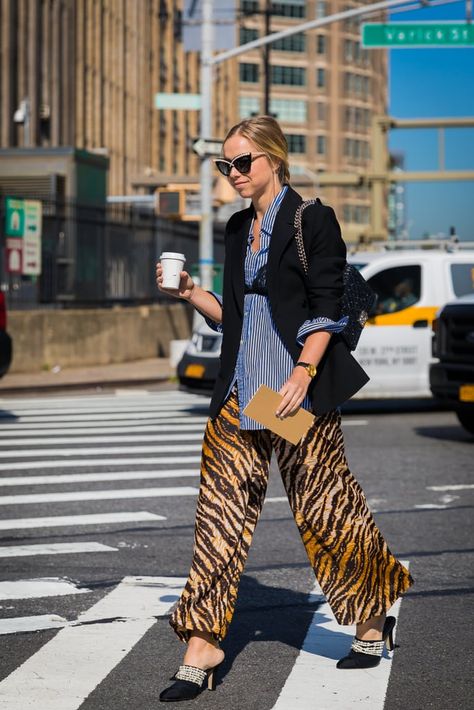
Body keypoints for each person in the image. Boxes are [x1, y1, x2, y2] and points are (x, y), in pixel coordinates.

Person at [156, 116, 413, 703]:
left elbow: (326, 309)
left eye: (243, 162)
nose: (234, 174)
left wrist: (302, 373)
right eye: (226, 165)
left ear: (273, 158)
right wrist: (192, 293)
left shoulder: (310, 219)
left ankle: (374, 617)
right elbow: (239, 317)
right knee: (218, 520)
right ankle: (203, 643)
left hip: (285, 395)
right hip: (242, 391)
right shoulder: (234, 227)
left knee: (326, 509)